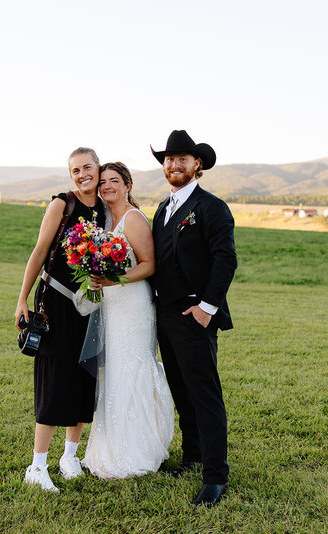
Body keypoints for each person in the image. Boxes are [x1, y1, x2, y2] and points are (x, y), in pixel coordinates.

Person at [149, 130, 237, 506]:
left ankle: (215, 476)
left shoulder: (211, 208)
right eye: (169, 159)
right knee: (182, 392)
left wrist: (207, 308)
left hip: (195, 314)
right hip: (165, 316)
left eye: (182, 159)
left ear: (196, 164)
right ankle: (193, 456)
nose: (174, 165)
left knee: (205, 395)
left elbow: (225, 260)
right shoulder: (162, 207)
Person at [14, 147, 106, 493]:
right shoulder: (61, 204)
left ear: (98, 168)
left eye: (87, 168)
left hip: (90, 306)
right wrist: (22, 298)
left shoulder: (104, 210)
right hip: (55, 302)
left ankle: (69, 456)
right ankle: (37, 465)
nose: (82, 175)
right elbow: (39, 251)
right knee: (55, 379)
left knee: (84, 378)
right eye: (75, 170)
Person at [81, 162, 174, 479]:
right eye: (103, 181)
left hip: (133, 307)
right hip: (113, 306)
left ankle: (138, 449)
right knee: (115, 373)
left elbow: (148, 266)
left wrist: (113, 280)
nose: (107, 186)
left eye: (114, 181)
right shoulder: (106, 221)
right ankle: (109, 449)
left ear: (128, 185)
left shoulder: (133, 219)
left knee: (131, 370)